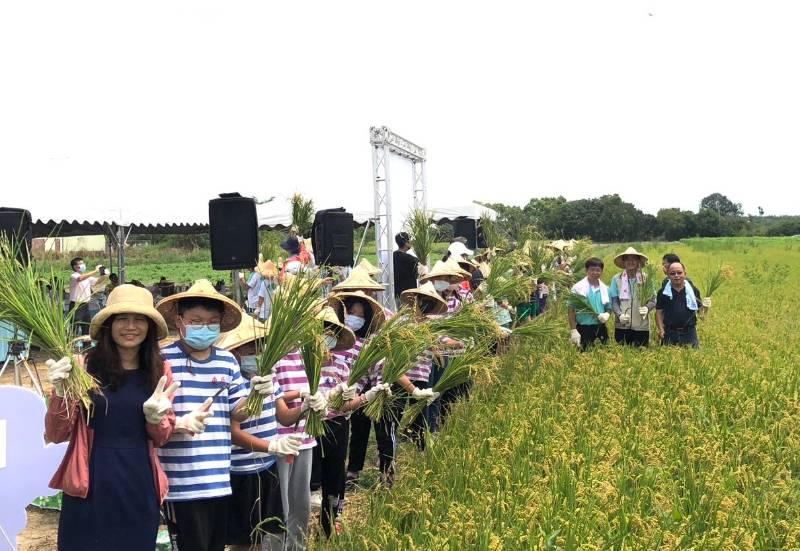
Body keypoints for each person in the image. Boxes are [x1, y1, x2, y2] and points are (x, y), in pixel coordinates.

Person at [45, 284, 178, 550]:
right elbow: (56, 433)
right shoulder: (83, 366)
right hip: (91, 480)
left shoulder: (160, 370)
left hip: (138, 481)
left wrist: (156, 420)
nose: (131, 326)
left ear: (150, 326)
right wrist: (61, 393)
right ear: (108, 324)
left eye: (139, 319)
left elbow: (162, 437)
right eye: (122, 319)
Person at [155, 279, 275, 551]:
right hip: (180, 483)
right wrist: (178, 424)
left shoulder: (227, 360)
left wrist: (257, 394)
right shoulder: (162, 359)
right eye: (196, 320)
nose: (204, 327)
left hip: (219, 480)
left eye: (211, 322)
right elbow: (154, 418)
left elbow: (239, 413)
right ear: (180, 321)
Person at [216, 315, 304, 551]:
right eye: (250, 347)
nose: (258, 352)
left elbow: (283, 416)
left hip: (267, 468)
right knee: (242, 540)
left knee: (263, 534)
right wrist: (272, 446)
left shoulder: (268, 380)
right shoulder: (232, 384)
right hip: (241, 471)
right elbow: (233, 433)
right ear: (235, 352)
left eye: (260, 346)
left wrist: (306, 407)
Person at [656, 262, 711, 348]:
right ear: (668, 275)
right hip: (670, 332)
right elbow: (659, 312)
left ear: (685, 274)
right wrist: (661, 329)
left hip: (689, 333)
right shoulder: (663, 292)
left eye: (679, 272)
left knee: (692, 358)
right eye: (672, 273)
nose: (676, 275)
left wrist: (706, 307)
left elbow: (702, 316)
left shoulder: (693, 290)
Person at [609, 247, 655, 347]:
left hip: (641, 326)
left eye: (634, 259)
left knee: (641, 355)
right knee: (621, 356)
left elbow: (652, 299)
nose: (631, 262)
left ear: (638, 261)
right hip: (622, 325)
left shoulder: (646, 279)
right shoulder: (617, 279)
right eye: (627, 259)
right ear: (623, 262)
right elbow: (614, 301)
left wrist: (647, 308)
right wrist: (619, 315)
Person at [568, 257, 612, 350]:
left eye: (598, 270)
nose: (595, 273)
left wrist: (607, 314)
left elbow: (609, 307)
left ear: (602, 271)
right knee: (584, 356)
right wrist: (573, 330)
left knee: (604, 354)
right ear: (586, 270)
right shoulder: (577, 288)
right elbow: (571, 310)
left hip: (600, 327)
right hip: (584, 328)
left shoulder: (605, 289)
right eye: (592, 270)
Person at [68, 257, 105, 336]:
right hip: (76, 305)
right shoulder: (74, 276)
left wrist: (103, 274)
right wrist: (95, 270)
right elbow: (80, 278)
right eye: (81, 264)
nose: (83, 265)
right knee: (74, 327)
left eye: (83, 263)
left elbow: (97, 281)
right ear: (75, 267)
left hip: (85, 305)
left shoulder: (87, 277)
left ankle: (87, 345)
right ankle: (71, 345)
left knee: (86, 326)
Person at [393, 232, 419, 303]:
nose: (411, 242)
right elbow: (417, 275)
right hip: (409, 295)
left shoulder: (392, 256)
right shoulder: (412, 259)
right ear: (405, 242)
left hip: (397, 294)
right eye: (409, 240)